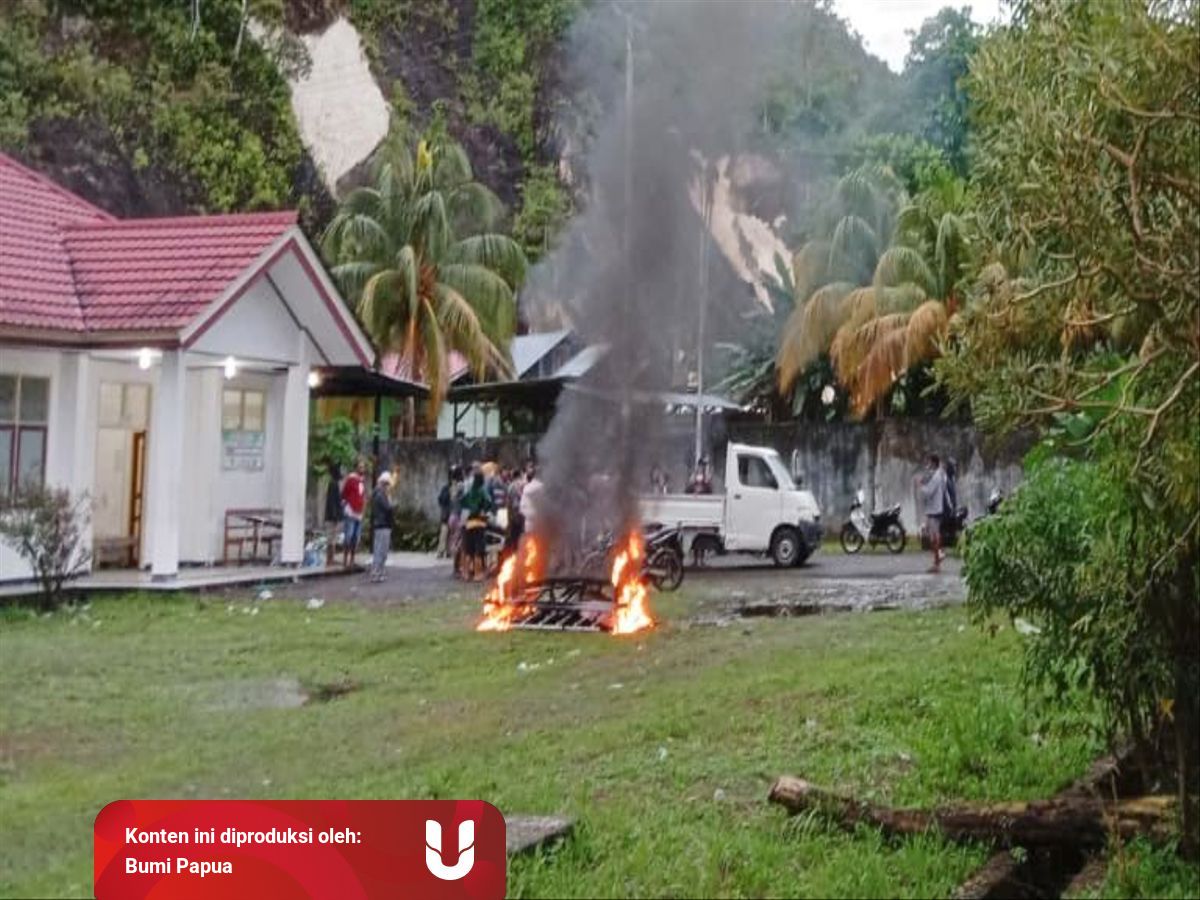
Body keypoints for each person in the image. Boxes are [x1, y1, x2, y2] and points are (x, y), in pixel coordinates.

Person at [460, 471, 494, 581]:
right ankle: (477, 574)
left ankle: (466, 573)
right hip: (479, 523)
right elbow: (489, 502)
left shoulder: (469, 490)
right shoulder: (482, 490)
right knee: (478, 550)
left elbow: (462, 501)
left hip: (469, 523)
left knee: (468, 549)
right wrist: (484, 510)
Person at [918, 453, 949, 573]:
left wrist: (921, 486)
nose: (928, 465)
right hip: (936, 508)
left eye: (929, 463)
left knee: (933, 537)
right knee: (935, 535)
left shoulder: (936, 477)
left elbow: (929, 492)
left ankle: (937, 560)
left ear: (934, 463)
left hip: (934, 510)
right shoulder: (940, 475)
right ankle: (939, 555)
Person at [340, 459, 367, 568]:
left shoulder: (362, 481)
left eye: (363, 467)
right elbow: (344, 494)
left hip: (359, 513)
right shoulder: (351, 479)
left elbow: (363, 496)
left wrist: (363, 510)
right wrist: (346, 506)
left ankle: (352, 560)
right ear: (356, 468)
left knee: (356, 538)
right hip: (350, 512)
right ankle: (345, 560)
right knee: (348, 536)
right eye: (360, 467)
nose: (362, 469)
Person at [369, 471, 395, 582]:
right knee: (380, 550)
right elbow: (388, 508)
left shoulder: (378, 493)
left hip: (382, 524)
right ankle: (376, 571)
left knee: (381, 550)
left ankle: (379, 571)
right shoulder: (380, 494)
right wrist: (391, 500)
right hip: (382, 524)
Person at [322, 461, 342, 566]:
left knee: (332, 538)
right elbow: (333, 502)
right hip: (332, 516)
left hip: (331, 515)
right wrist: (336, 516)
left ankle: (330, 559)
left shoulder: (333, 484)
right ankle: (330, 559)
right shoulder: (334, 485)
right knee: (331, 538)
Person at [436, 468, 453, 558]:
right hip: (446, 515)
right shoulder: (446, 488)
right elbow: (440, 500)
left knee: (450, 535)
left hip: (452, 515)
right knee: (444, 534)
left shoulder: (457, 487)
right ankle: (441, 551)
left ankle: (449, 551)